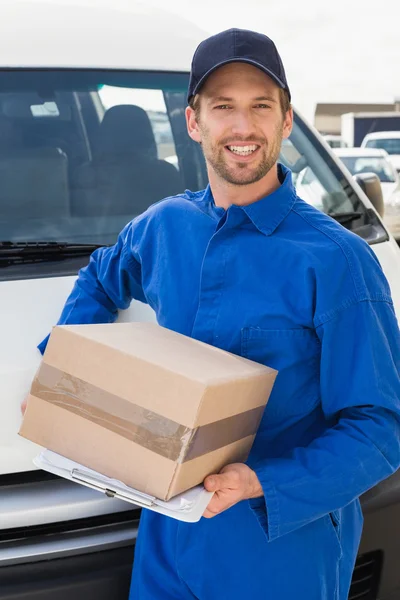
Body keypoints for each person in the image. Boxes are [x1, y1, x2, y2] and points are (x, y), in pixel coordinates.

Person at [24, 29, 400, 599]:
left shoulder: (337, 261)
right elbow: (101, 276)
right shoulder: (163, 226)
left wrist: (260, 483)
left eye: (260, 106)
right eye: (223, 107)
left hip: (278, 545)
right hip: (167, 531)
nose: (243, 127)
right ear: (194, 122)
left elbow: (381, 428)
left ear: (286, 120)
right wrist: (65, 383)